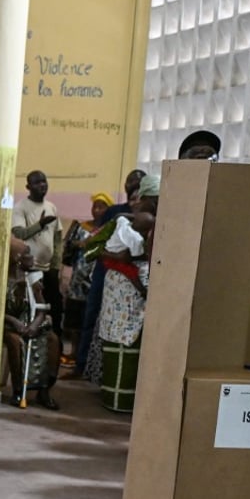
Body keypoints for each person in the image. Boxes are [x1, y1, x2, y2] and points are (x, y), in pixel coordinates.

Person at [95, 175, 159, 411]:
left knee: (124, 339)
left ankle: (119, 396)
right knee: (124, 339)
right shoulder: (145, 217)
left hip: (124, 283)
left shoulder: (132, 217)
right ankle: (120, 399)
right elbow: (124, 257)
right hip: (127, 287)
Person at [73, 169, 144, 378]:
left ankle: (112, 374)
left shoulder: (146, 215)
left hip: (133, 278)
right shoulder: (115, 212)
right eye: (130, 181)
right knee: (92, 315)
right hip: (105, 271)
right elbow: (98, 241)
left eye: (138, 183)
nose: (132, 185)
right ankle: (82, 365)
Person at [4, 236, 61, 410]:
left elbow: (42, 307)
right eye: (26, 254)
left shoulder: (33, 278)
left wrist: (34, 325)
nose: (31, 257)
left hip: (30, 323)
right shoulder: (2, 279)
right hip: (7, 323)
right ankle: (18, 390)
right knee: (15, 342)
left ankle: (44, 390)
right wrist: (15, 323)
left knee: (53, 340)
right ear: (16, 258)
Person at [61, 192, 112, 365]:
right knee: (74, 319)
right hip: (78, 280)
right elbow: (69, 246)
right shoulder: (82, 227)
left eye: (101, 207)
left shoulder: (109, 229)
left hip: (95, 281)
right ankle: (73, 354)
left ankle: (87, 358)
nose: (97, 210)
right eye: (95, 206)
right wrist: (79, 244)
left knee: (89, 319)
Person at [11, 170, 64, 340]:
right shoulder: (20, 208)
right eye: (37, 182)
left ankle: (53, 349)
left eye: (44, 181)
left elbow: (57, 238)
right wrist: (40, 224)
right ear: (28, 187)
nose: (42, 185)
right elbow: (19, 234)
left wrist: (56, 266)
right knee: (33, 310)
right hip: (30, 269)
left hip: (49, 270)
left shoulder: (51, 207)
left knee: (54, 309)